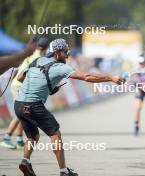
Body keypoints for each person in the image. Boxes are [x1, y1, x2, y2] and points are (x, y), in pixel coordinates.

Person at [14, 38, 125, 176]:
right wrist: (111, 78)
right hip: (33, 104)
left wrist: (44, 85)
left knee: (32, 136)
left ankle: (25, 161)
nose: (68, 55)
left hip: (18, 104)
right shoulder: (59, 67)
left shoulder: (37, 60)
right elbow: (87, 76)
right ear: (57, 53)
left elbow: (19, 77)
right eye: (66, 52)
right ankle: (64, 171)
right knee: (55, 133)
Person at [0, 38, 49, 149]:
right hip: (21, 85)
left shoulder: (31, 55)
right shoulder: (39, 57)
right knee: (22, 113)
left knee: (24, 113)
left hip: (17, 83)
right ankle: (7, 137)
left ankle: (19, 139)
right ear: (45, 49)